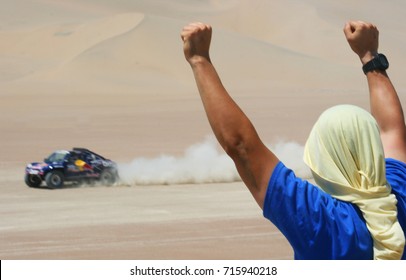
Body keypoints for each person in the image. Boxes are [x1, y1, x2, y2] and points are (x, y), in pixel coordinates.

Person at [181, 20, 406, 260]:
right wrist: (369, 56)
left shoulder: (318, 218)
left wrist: (199, 60)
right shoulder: (398, 196)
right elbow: (392, 130)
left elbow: (241, 146)